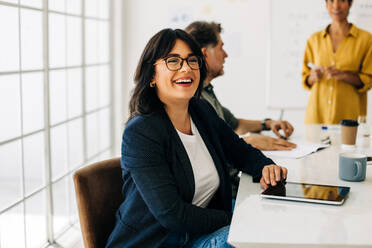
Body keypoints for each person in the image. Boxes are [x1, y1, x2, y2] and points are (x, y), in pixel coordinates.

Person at [105, 28, 287, 248]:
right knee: (252, 236)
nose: (186, 68)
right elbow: (172, 214)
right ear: (152, 75)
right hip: (157, 242)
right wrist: (236, 219)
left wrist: (266, 167)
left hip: (194, 235)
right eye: (173, 61)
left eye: (192, 60)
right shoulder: (140, 133)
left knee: (270, 226)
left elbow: (239, 151)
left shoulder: (201, 111)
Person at [185, 21, 297, 151]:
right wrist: (248, 141)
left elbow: (236, 125)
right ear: (205, 54)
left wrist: (268, 123)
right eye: (221, 48)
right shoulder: (193, 97)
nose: (225, 55)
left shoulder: (207, 91)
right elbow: (204, 146)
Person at [302, 0, 372, 124]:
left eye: (342, 0)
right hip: (317, 118)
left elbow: (368, 80)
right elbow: (306, 79)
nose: (336, 6)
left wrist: (343, 75)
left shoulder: (366, 39)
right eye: (331, 1)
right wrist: (312, 77)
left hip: (349, 119)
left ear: (350, 3)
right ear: (326, 4)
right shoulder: (314, 40)